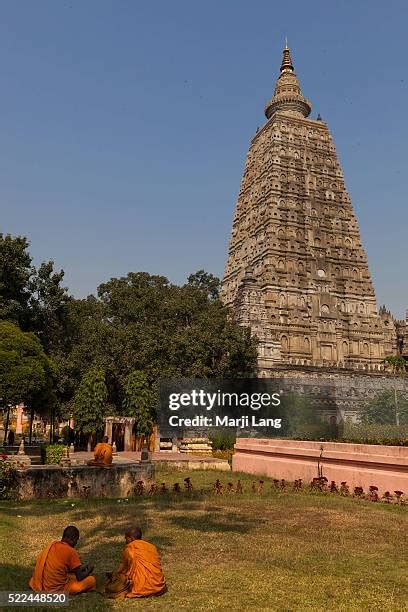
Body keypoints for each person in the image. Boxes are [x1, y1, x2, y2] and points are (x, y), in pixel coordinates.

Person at [29, 526, 96, 595]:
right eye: (76, 540)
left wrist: (80, 568)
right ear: (73, 539)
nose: (76, 543)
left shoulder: (53, 545)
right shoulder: (70, 551)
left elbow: (62, 567)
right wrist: (88, 571)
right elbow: (80, 577)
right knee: (91, 580)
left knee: (71, 576)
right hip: (55, 590)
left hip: (41, 584)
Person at [103, 527, 166, 599]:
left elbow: (122, 570)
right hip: (158, 586)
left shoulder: (129, 550)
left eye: (126, 538)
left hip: (140, 588)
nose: (125, 541)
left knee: (116, 580)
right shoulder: (151, 547)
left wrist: (115, 575)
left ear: (131, 538)